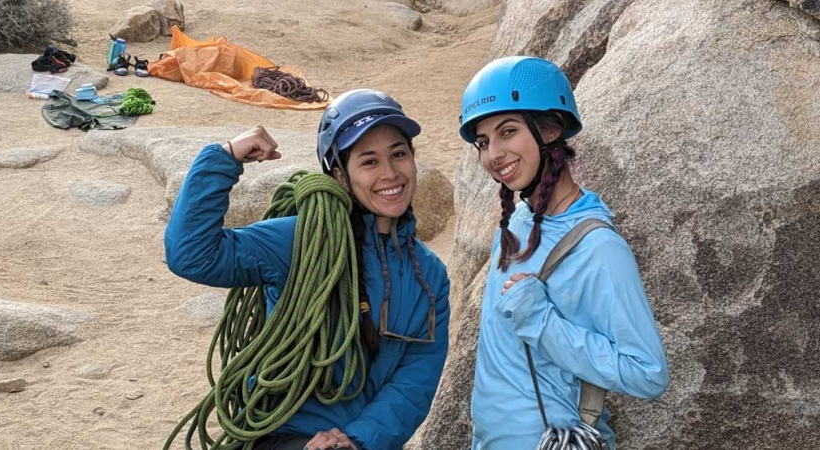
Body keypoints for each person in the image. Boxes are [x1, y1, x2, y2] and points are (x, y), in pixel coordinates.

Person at [164, 89, 451, 450]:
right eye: (369, 161)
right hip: (283, 436)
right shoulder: (301, 240)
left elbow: (416, 378)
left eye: (398, 154)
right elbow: (192, 254)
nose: (390, 173)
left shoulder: (428, 274)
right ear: (340, 175)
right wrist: (225, 156)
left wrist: (358, 439)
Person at [458, 56, 669, 449]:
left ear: (552, 128)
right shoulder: (517, 224)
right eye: (484, 142)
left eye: (508, 131)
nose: (494, 154)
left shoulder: (598, 247)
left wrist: (543, 322)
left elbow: (648, 373)